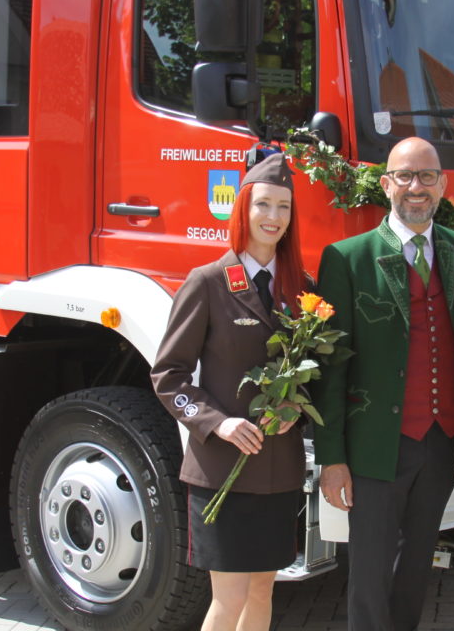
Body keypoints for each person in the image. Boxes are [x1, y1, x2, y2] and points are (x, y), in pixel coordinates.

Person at [314, 137, 454, 631]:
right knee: (370, 573)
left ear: (443, 185)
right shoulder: (347, 257)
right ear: (386, 184)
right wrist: (332, 457)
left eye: (427, 176)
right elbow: (330, 368)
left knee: (416, 568)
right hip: (373, 445)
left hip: (440, 440)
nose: (416, 187)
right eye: (405, 176)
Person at [151, 153, 309, 631]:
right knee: (230, 597)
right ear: (243, 210)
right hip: (224, 472)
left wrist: (296, 407)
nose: (273, 218)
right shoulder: (207, 283)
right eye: (264, 205)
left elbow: (316, 374)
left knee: (264, 588)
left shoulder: (301, 291)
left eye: (283, 207)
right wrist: (218, 421)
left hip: (278, 471)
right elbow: (169, 375)